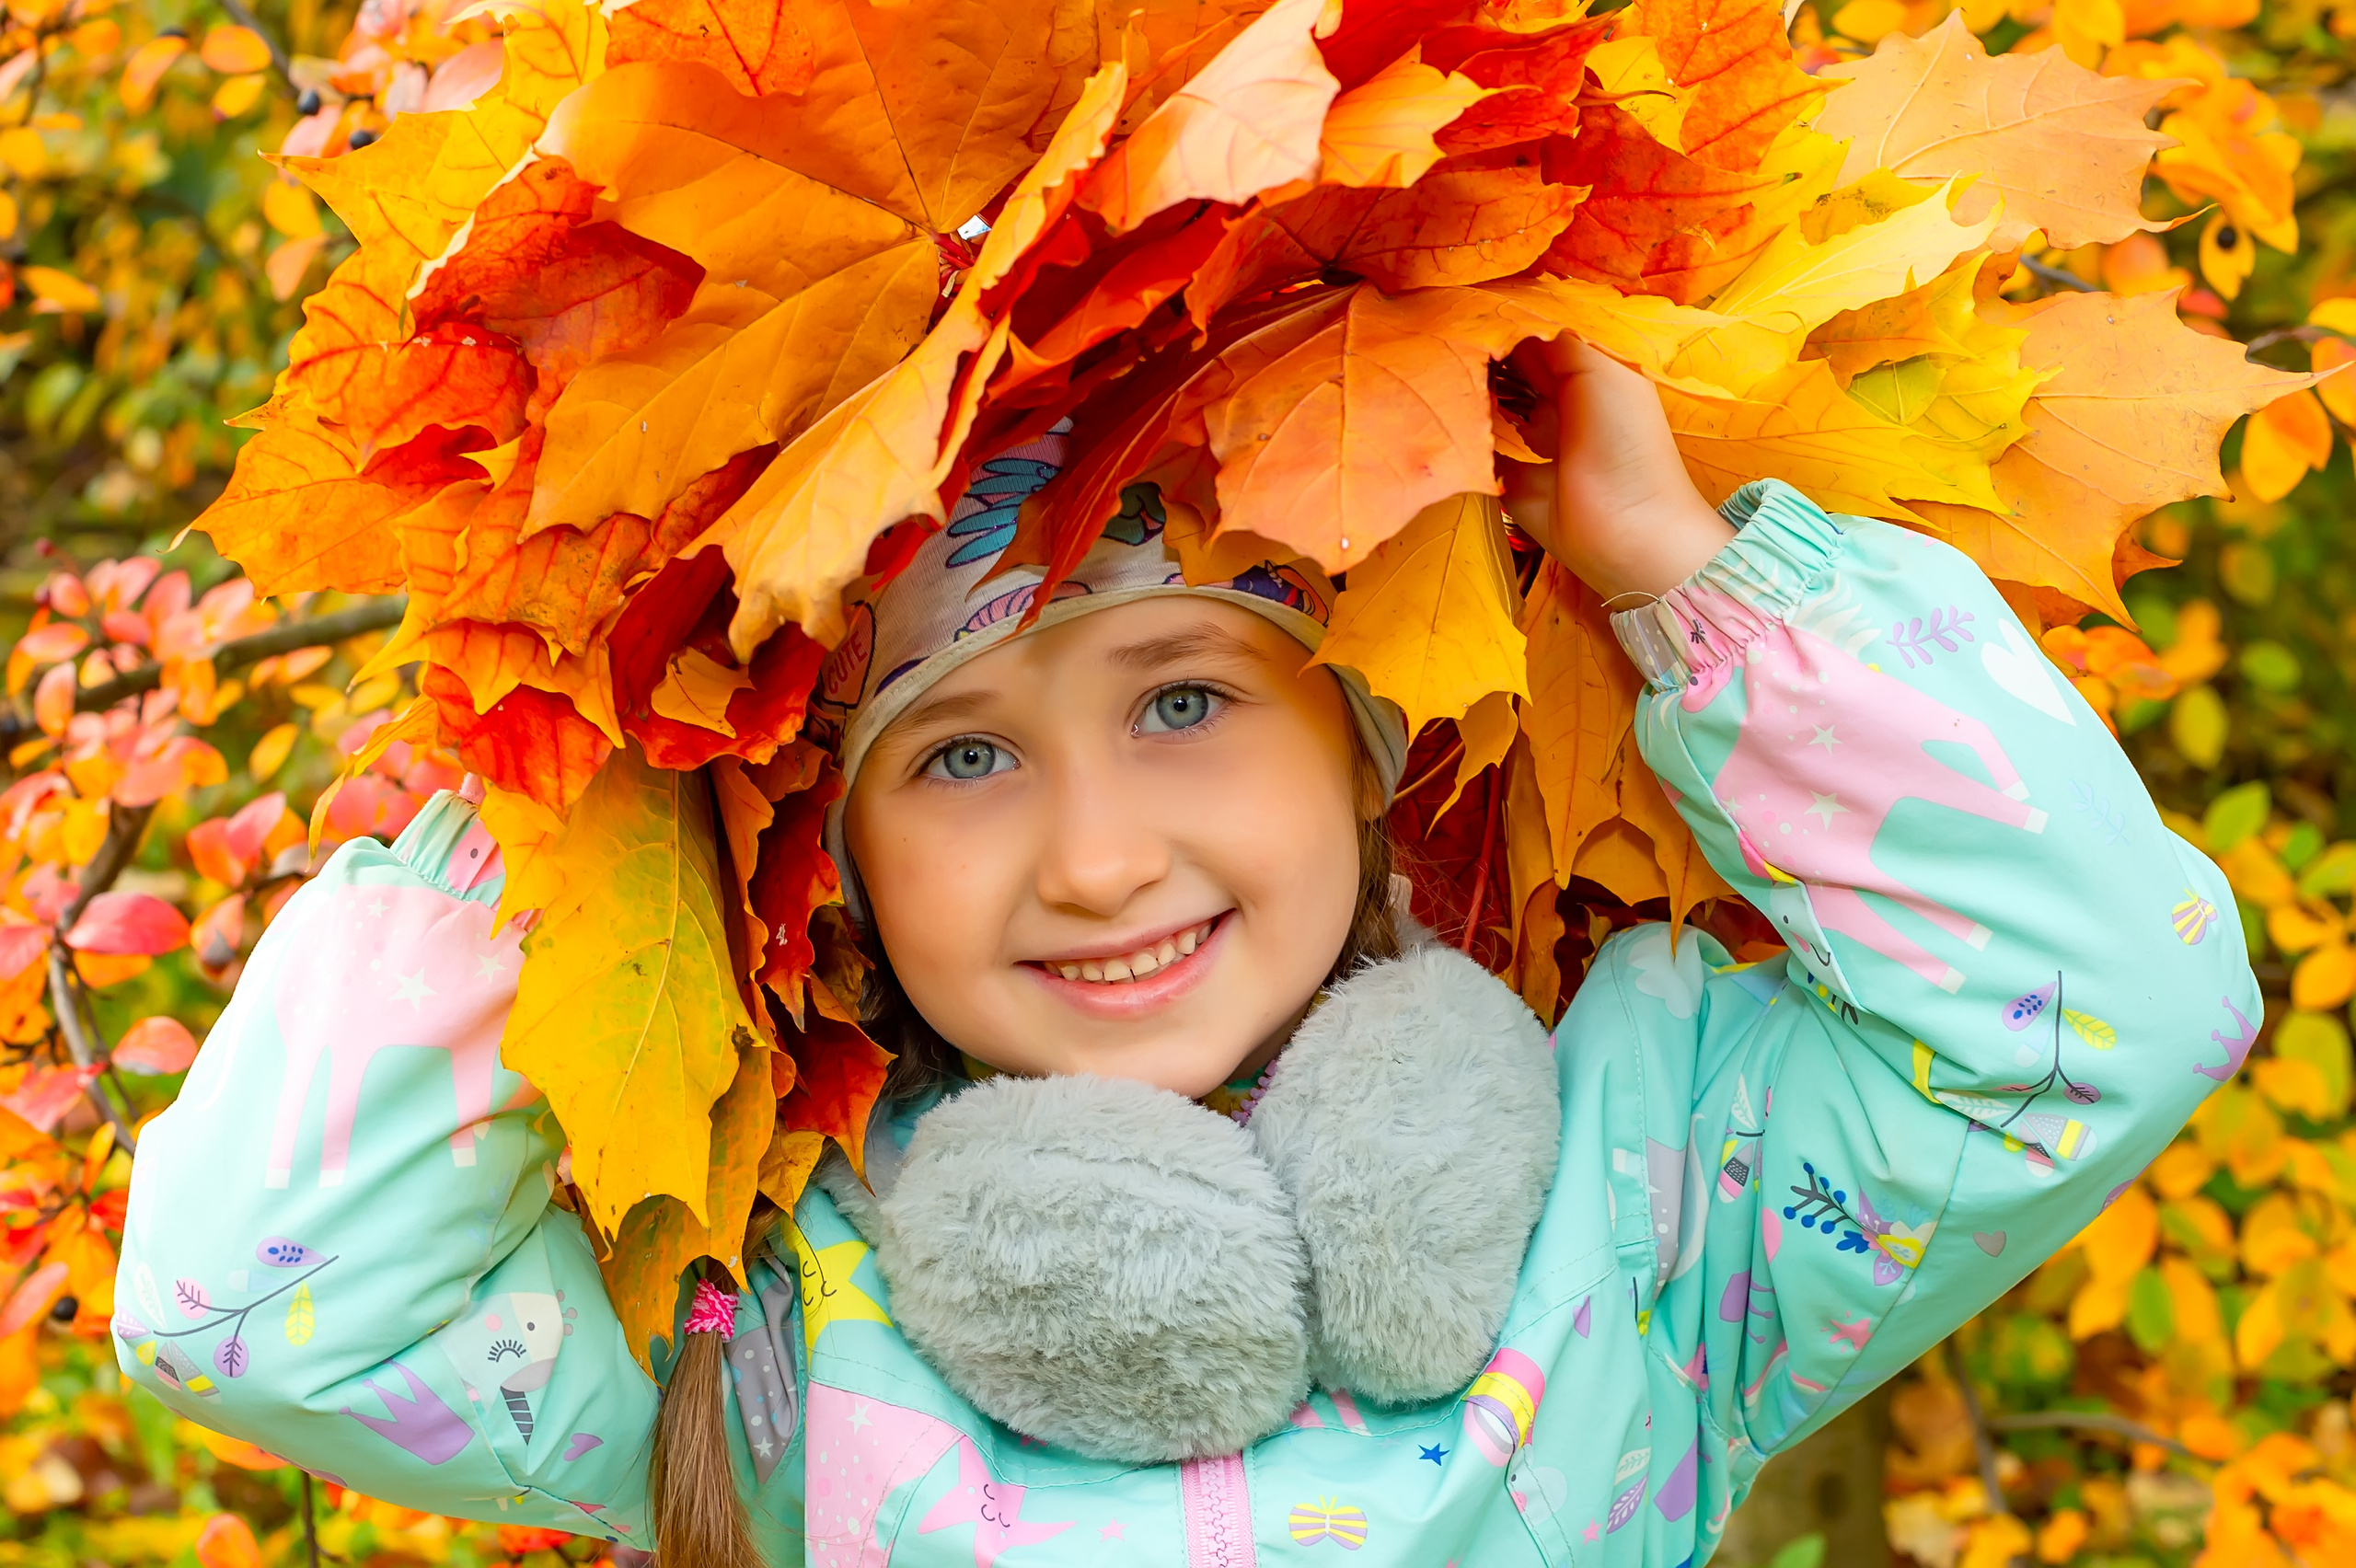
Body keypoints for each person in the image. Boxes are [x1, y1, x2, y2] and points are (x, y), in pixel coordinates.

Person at [113, 342, 2254, 1568]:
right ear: (825, 865)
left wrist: (1681, 577)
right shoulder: (754, 1311)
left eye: (1181, 699)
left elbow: (2104, 1017)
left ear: (1360, 739)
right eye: (955, 756)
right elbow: (251, 1311)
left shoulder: (1652, 1181)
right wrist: (576, 791)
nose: (1095, 858)